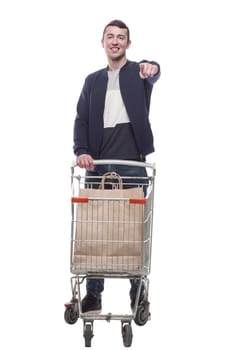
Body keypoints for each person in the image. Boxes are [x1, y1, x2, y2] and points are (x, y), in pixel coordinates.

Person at [73, 19, 160, 313]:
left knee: (133, 230)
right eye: (110, 36)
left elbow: (153, 70)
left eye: (120, 37)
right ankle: (94, 295)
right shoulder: (92, 81)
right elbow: (81, 119)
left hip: (132, 163)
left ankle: (138, 296)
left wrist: (152, 66)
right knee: (96, 229)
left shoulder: (138, 72)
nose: (115, 41)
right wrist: (82, 151)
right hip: (98, 164)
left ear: (128, 44)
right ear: (102, 42)